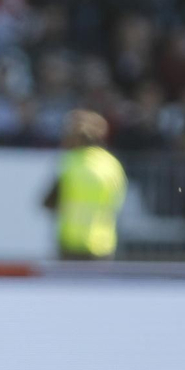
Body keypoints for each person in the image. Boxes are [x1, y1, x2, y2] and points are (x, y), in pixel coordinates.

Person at [42, 110, 126, 259]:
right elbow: (118, 200)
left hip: (71, 244)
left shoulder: (71, 163)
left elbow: (48, 202)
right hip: (103, 244)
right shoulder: (112, 165)